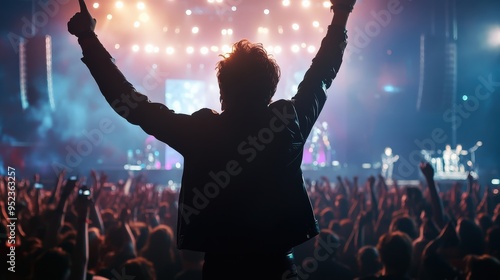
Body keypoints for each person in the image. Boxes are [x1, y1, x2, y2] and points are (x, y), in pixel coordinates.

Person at [67, 0, 356, 278]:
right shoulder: (288, 124)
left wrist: (88, 39)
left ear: (222, 89)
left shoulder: (202, 133)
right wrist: (341, 12)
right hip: (278, 265)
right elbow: (321, 74)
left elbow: (132, 105)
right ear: (270, 90)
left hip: (221, 268)